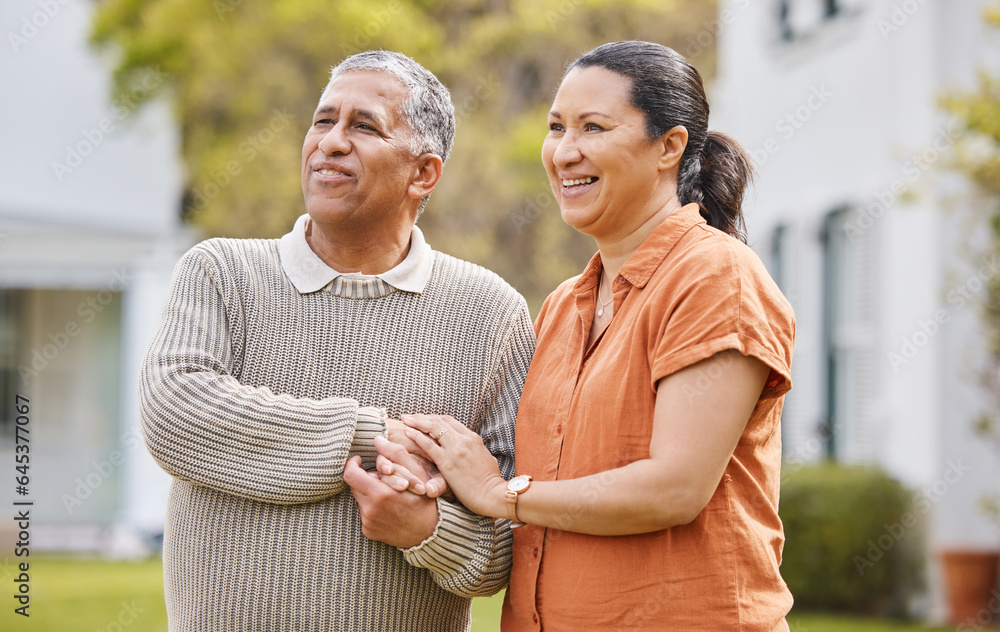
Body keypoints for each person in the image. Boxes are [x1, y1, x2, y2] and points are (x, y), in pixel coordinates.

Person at [397, 41, 796, 631]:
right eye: (556, 127)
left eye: (593, 127)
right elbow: (542, 481)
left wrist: (498, 493)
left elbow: (674, 488)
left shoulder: (716, 277)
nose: (565, 152)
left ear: (669, 147)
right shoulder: (563, 305)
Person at [138, 50, 535, 632]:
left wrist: (425, 529)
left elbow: (510, 537)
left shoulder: (491, 312)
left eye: (363, 126)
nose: (330, 141)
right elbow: (173, 416)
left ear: (423, 173)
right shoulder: (221, 271)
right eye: (323, 121)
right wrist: (376, 437)